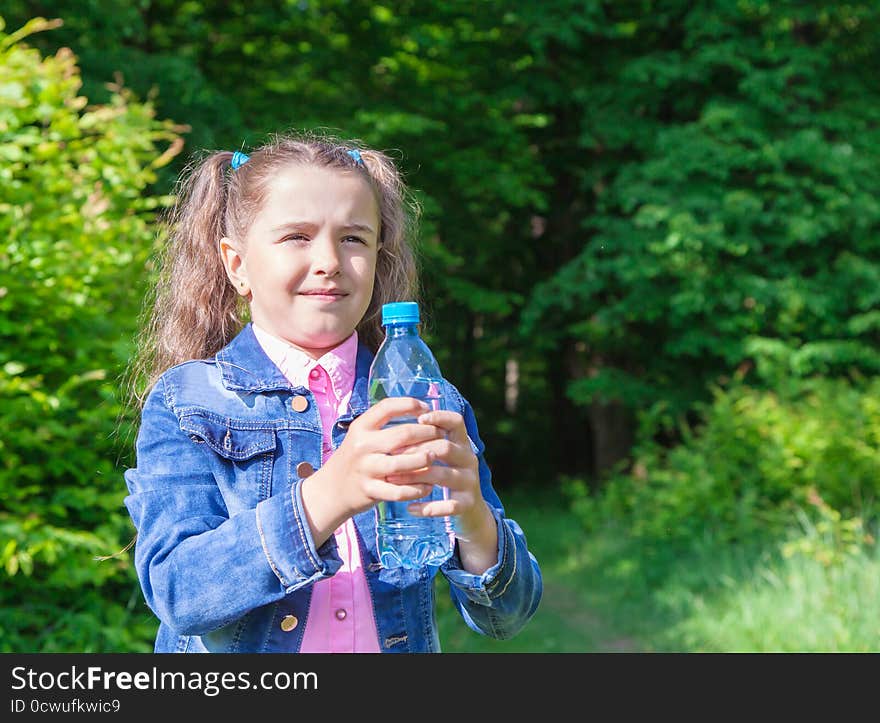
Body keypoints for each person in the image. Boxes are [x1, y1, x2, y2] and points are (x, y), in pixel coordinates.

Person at [123, 131, 542, 653]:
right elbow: (180, 593)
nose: (329, 260)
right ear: (237, 265)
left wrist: (474, 519)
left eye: (353, 238)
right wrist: (330, 494)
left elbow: (506, 617)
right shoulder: (188, 401)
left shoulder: (427, 402)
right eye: (296, 236)